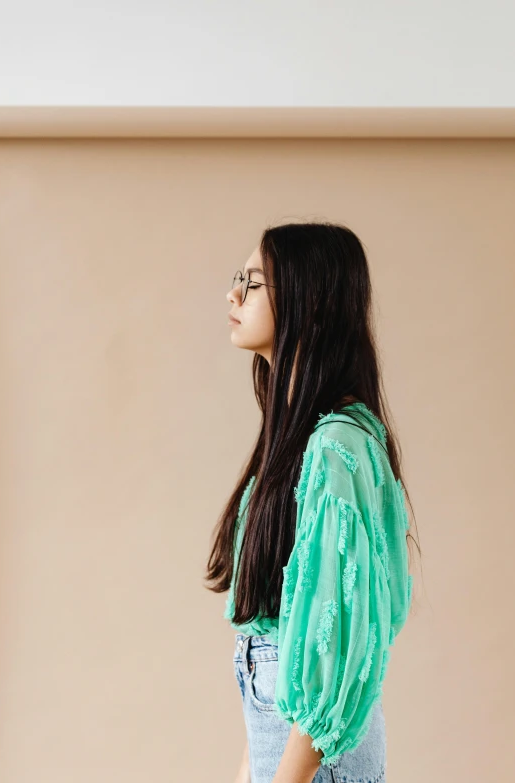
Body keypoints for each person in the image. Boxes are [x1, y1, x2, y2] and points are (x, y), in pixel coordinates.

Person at [204, 221, 419, 783]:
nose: (233, 295)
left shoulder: (337, 446)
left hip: (315, 759)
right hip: (289, 749)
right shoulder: (296, 437)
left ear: (311, 301)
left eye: (252, 283)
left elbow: (337, 646)